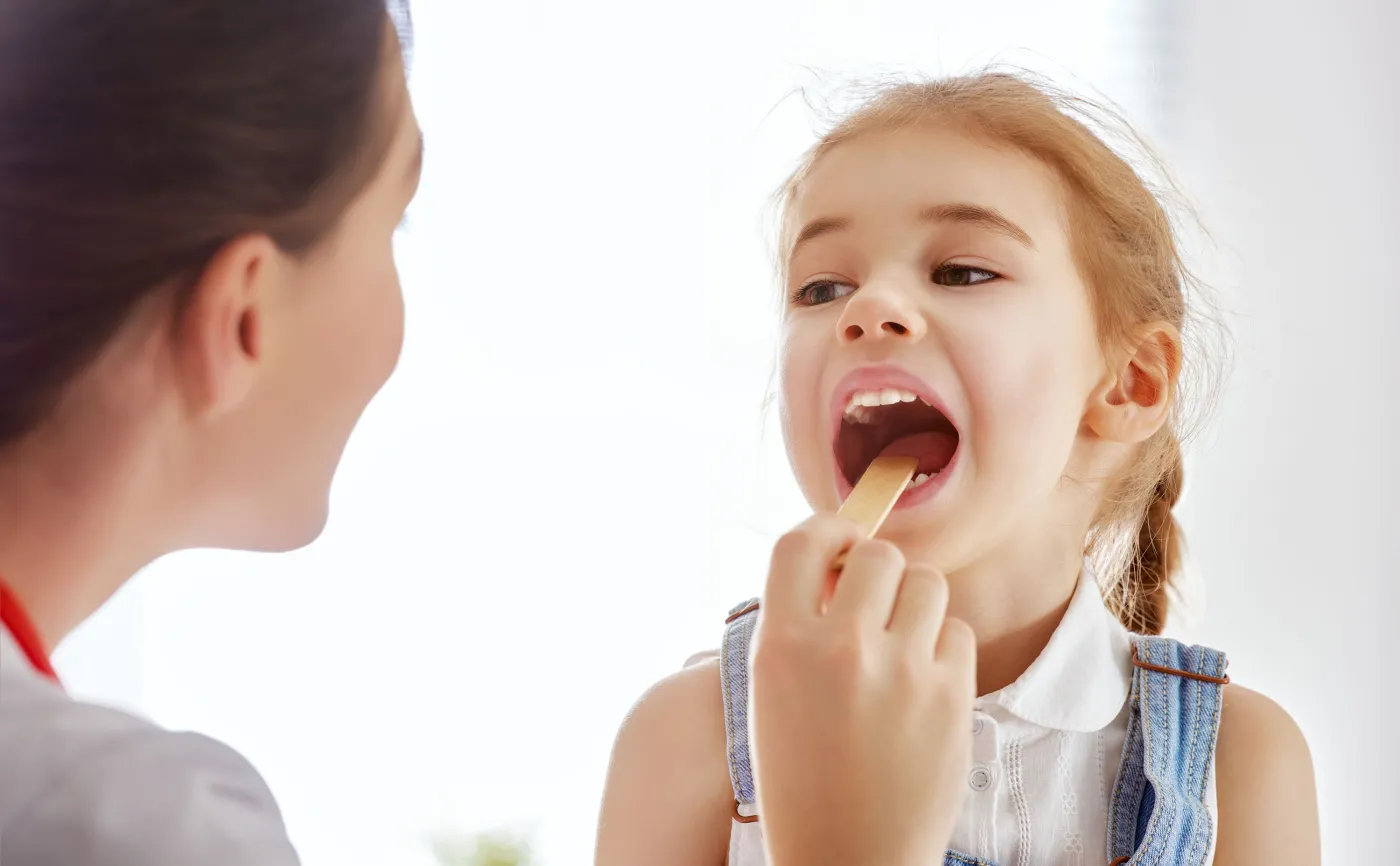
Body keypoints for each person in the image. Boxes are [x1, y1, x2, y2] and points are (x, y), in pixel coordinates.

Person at [0, 2, 972, 865]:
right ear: (245, 315)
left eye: (963, 271)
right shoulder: (124, 826)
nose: (872, 314)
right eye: (395, 222)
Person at [595, 72, 1322, 866]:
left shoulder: (1239, 768)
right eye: (821, 286)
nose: (865, 308)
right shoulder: (683, 740)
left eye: (962, 272)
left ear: (1128, 383)